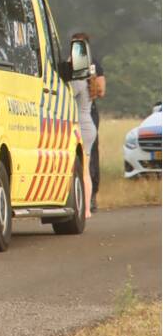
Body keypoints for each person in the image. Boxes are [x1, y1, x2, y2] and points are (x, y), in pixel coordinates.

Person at [71, 32, 106, 212]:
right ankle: (86, 203)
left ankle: (87, 203)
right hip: (87, 118)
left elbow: (100, 91)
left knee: (87, 163)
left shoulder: (90, 68)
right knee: (86, 163)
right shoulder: (81, 70)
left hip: (83, 118)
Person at [71, 70, 96, 219]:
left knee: (84, 171)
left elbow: (66, 94)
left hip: (81, 127)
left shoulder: (78, 83)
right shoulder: (88, 82)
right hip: (88, 126)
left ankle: (86, 209)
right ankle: (86, 207)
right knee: (85, 169)